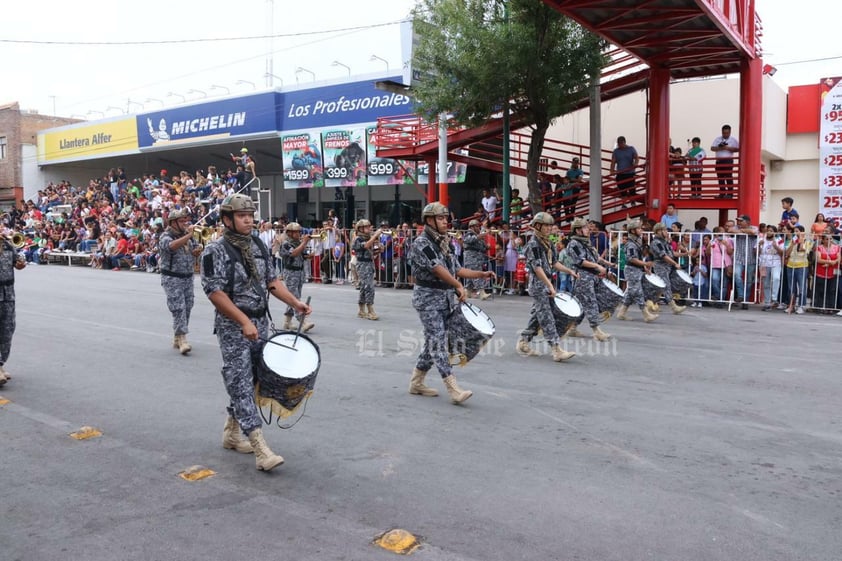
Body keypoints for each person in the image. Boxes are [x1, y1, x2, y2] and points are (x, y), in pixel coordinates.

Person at [200, 194, 311, 472]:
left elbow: (272, 282)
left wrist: (294, 303)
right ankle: (260, 447)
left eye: (250, 214)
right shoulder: (215, 250)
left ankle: (231, 431)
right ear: (227, 219)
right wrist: (243, 322)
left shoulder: (259, 244)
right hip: (234, 326)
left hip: (260, 323)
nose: (248, 219)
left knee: (250, 381)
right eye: (241, 215)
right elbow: (214, 293)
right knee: (239, 379)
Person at [407, 202, 496, 404]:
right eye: (440, 218)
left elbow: (457, 269)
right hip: (428, 300)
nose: (445, 222)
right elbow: (438, 269)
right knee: (438, 341)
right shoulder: (422, 243)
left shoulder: (443, 243)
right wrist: (459, 286)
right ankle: (453, 387)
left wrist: (481, 273)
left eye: (445, 218)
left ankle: (416, 381)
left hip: (445, 300)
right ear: (429, 220)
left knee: (433, 341)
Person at [515, 213, 578, 361]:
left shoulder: (547, 243)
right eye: (547, 225)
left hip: (546, 283)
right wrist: (550, 285)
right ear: (538, 226)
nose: (550, 228)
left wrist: (569, 270)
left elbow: (554, 263)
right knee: (547, 316)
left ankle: (523, 342)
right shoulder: (533, 244)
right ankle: (556, 349)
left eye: (551, 225)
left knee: (538, 317)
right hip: (539, 285)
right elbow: (537, 268)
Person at [158, 209, 203, 354]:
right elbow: (171, 246)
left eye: (186, 221)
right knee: (178, 307)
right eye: (182, 221)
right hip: (172, 277)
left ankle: (177, 337)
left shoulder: (187, 236)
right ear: (173, 222)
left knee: (188, 305)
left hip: (187, 276)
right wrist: (189, 235)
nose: (185, 223)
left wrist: (198, 250)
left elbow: (195, 249)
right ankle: (183, 339)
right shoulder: (165, 236)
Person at [566, 218, 613, 340]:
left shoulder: (586, 242)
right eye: (585, 228)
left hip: (591, 275)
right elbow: (580, 261)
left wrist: (608, 264)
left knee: (582, 304)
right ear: (578, 230)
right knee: (591, 302)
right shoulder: (574, 244)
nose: (589, 230)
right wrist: (598, 266)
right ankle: (596, 330)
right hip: (583, 276)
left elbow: (596, 257)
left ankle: (572, 328)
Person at [615, 219, 659, 322]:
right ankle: (646, 314)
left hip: (635, 269)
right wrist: (645, 264)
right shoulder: (631, 244)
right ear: (633, 231)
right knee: (638, 292)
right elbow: (632, 259)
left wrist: (644, 268)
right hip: (631, 270)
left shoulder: (636, 241)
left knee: (631, 293)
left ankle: (621, 313)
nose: (641, 230)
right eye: (638, 228)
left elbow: (637, 258)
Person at [0, 232, 26, 386]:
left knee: (8, 329)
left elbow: (18, 264)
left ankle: (1, 364)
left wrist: (21, 264)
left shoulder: (8, 246)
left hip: (8, 294)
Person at [278, 222, 314, 332]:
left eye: (299, 232)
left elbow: (303, 255)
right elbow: (293, 253)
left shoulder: (298, 243)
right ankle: (303, 322)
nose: (299, 234)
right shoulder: (286, 244)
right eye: (296, 232)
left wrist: (310, 255)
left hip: (299, 272)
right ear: (289, 233)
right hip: (291, 273)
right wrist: (303, 243)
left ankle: (287, 322)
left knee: (293, 297)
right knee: (295, 297)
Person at [649, 222, 687, 314]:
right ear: (658, 231)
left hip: (667, 267)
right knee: (666, 285)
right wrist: (675, 264)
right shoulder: (656, 242)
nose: (667, 232)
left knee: (659, 287)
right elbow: (664, 256)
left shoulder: (664, 241)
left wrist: (685, 254)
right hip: (660, 266)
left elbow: (672, 253)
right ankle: (674, 307)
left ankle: (649, 304)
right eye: (665, 230)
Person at [353, 219, 383, 320]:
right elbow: (365, 246)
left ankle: (361, 309)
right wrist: (375, 236)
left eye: (369, 227)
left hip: (369, 264)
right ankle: (370, 310)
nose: (369, 229)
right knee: (369, 287)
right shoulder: (358, 239)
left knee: (364, 287)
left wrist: (379, 249)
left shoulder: (368, 238)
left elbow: (370, 251)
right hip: (362, 265)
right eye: (366, 227)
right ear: (360, 228)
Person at [729, 214, 759, 309]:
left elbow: (753, 232)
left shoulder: (754, 227)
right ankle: (741, 295)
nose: (739, 223)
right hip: (738, 257)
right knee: (737, 275)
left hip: (750, 258)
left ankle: (745, 300)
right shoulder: (736, 227)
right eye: (739, 221)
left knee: (749, 281)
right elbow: (730, 230)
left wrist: (741, 231)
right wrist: (743, 231)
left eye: (741, 221)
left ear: (748, 222)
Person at [758, 225, 784, 311]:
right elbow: (756, 252)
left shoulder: (779, 240)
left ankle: (774, 297)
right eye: (768, 230)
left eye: (771, 231)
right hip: (764, 263)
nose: (769, 232)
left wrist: (776, 246)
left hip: (776, 263)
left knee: (776, 278)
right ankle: (767, 303)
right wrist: (759, 245)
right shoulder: (762, 239)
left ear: (775, 232)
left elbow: (783, 253)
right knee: (766, 283)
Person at [462, 219, 490, 300]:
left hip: (477, 258)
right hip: (471, 258)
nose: (478, 228)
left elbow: (482, 246)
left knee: (470, 275)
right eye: (477, 226)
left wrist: (486, 247)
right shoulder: (469, 234)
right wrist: (482, 234)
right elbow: (470, 240)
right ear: (472, 227)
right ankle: (482, 292)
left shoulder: (478, 235)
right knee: (477, 274)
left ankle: (467, 292)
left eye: (478, 226)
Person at [710, 125, 739, 198]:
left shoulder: (733, 140)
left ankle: (730, 194)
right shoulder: (718, 139)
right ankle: (722, 193)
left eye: (727, 133)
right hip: (719, 161)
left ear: (730, 132)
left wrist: (727, 148)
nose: (725, 134)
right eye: (724, 133)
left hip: (728, 160)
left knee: (728, 177)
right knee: (720, 178)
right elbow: (712, 148)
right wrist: (720, 148)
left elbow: (738, 149)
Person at [610, 136, 639, 202]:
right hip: (620, 173)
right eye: (618, 144)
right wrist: (611, 170)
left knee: (632, 189)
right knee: (622, 190)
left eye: (620, 143)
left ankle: (633, 202)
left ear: (624, 142)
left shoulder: (631, 149)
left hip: (630, 173)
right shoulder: (616, 151)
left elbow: (636, 157)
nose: (619, 145)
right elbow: (613, 161)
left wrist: (636, 164)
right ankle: (624, 203)